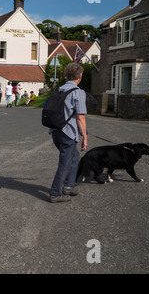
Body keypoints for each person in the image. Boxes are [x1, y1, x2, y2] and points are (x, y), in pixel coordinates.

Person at [49, 62, 88, 203]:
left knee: (74, 157)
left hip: (55, 130)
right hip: (68, 133)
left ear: (66, 75)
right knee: (64, 164)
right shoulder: (78, 92)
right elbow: (80, 117)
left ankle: (69, 186)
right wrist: (85, 136)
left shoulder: (59, 90)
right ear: (80, 75)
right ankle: (55, 193)